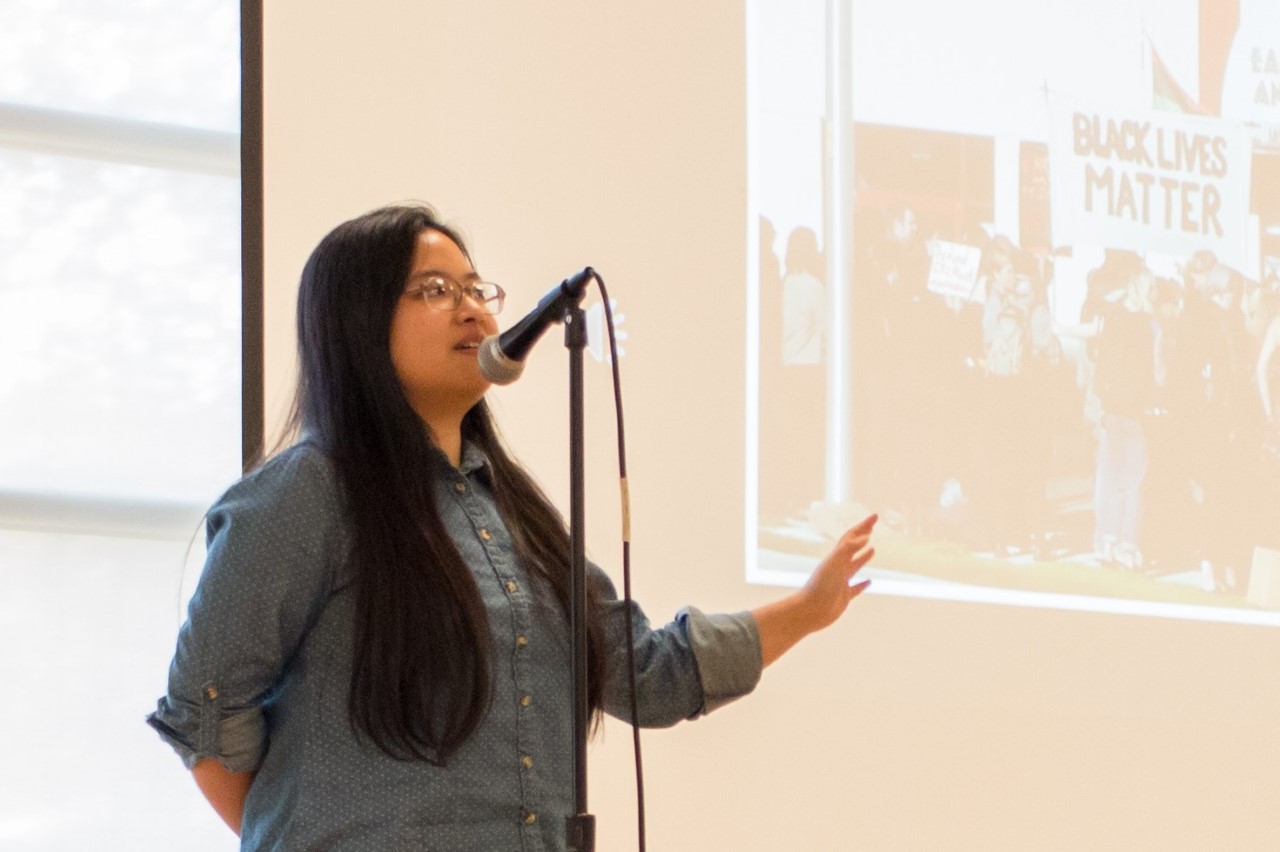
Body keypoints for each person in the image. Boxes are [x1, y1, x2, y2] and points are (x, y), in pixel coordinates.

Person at [147, 203, 878, 850]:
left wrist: (809, 610)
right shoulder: (309, 491)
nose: (473, 310)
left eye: (476, 290)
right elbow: (204, 714)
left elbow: (646, 673)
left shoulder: (514, 517)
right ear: (357, 322)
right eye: (434, 290)